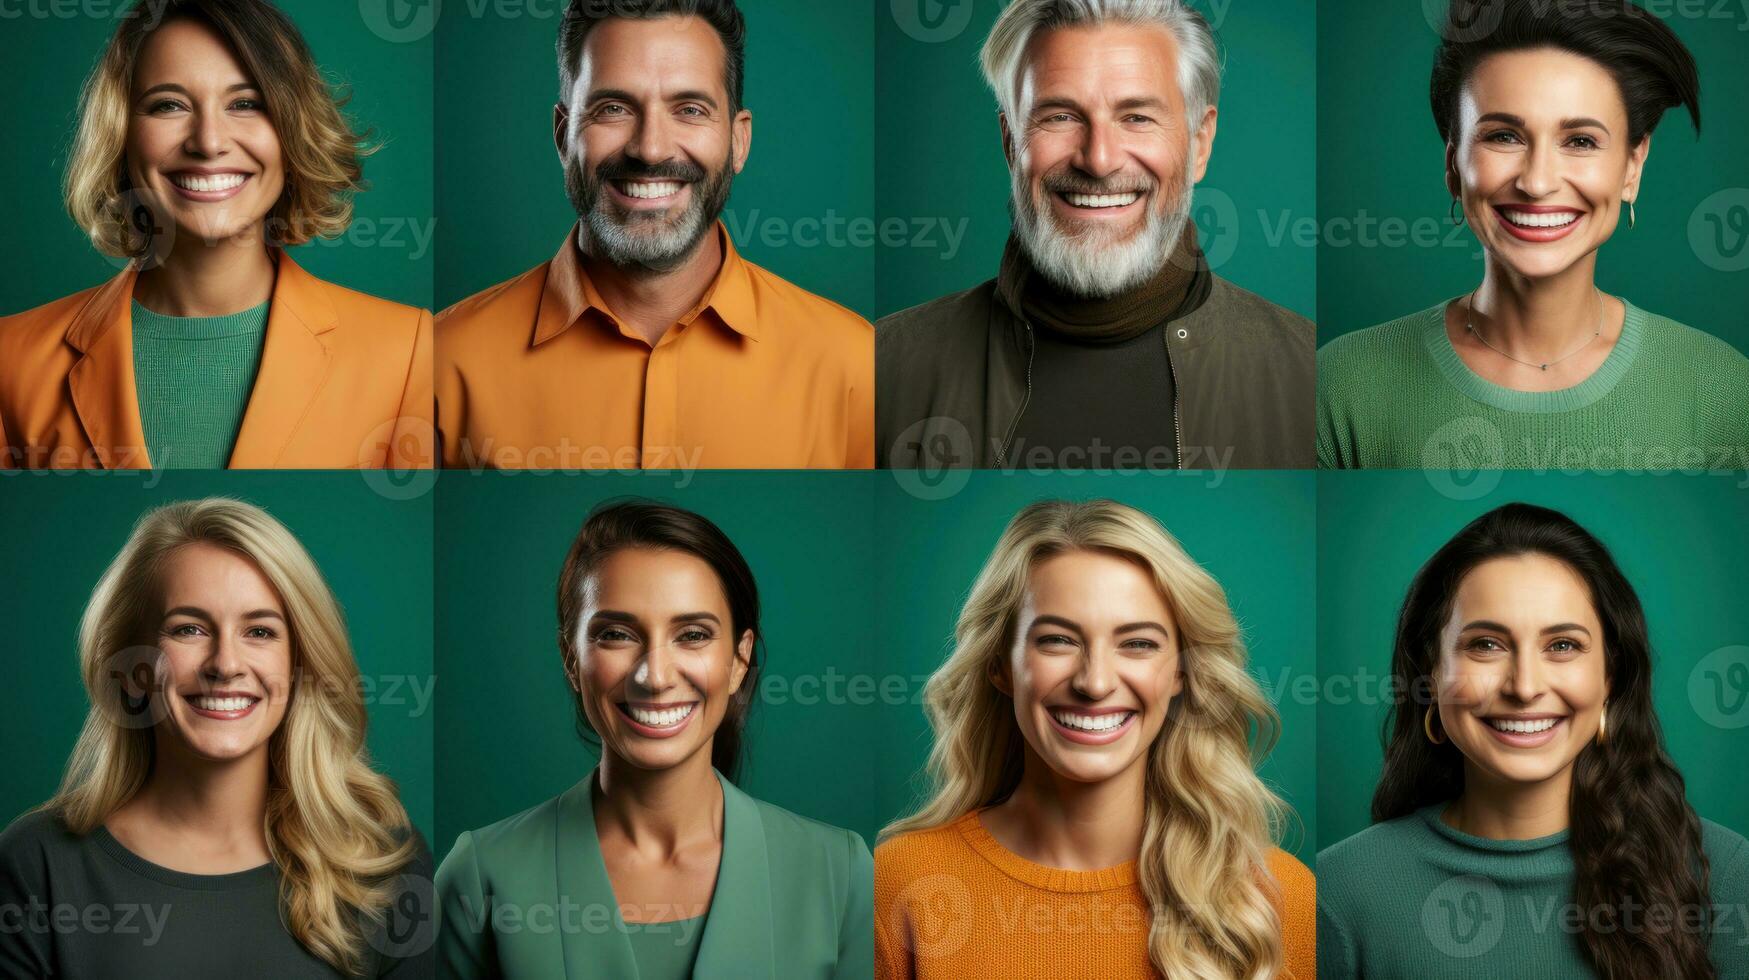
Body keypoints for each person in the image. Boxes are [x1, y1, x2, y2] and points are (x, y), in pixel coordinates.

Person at [875, 499, 1314, 979]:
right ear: (999, 665)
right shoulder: (899, 882)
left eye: (1138, 643)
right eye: (1057, 640)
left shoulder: (1279, 898)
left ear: (1181, 673)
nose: (1095, 682)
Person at [435, 501, 873, 978]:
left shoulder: (840, 874)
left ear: (739, 659)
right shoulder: (479, 878)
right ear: (569, 657)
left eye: (692, 634)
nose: (655, 676)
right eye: (617, 634)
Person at [0, 498, 432, 977]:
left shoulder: (384, 859)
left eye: (260, 632)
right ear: (131, 667)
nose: (225, 664)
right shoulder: (35, 864)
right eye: (188, 629)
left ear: (300, 663)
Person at [877, 0, 1315, 471]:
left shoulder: (1309, 372)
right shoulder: (882, 367)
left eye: (1137, 117)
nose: (1099, 160)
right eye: (1060, 116)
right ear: (1010, 142)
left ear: (1199, 143)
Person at [435, 0, 873, 471]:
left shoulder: (855, 364)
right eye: (613, 108)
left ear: (739, 141)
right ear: (564, 137)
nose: (650, 148)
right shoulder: (443, 360)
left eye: (689, 109)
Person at [1317, 503, 1749, 978]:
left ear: (1610, 675)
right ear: (1431, 673)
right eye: (1485, 644)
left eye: (1562, 645)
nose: (1524, 687)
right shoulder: (1338, 892)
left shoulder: (1726, 876)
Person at [0, 0, 433, 471]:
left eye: (246, 104)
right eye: (169, 105)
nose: (208, 142)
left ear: (292, 132)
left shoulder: (408, 350)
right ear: (122, 134)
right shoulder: (12, 358)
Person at [1317, 0, 1749, 469]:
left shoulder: (1722, 391)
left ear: (1632, 166)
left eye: (1580, 141)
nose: (1537, 182)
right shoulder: (1340, 384)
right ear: (1453, 164)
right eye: (1503, 136)